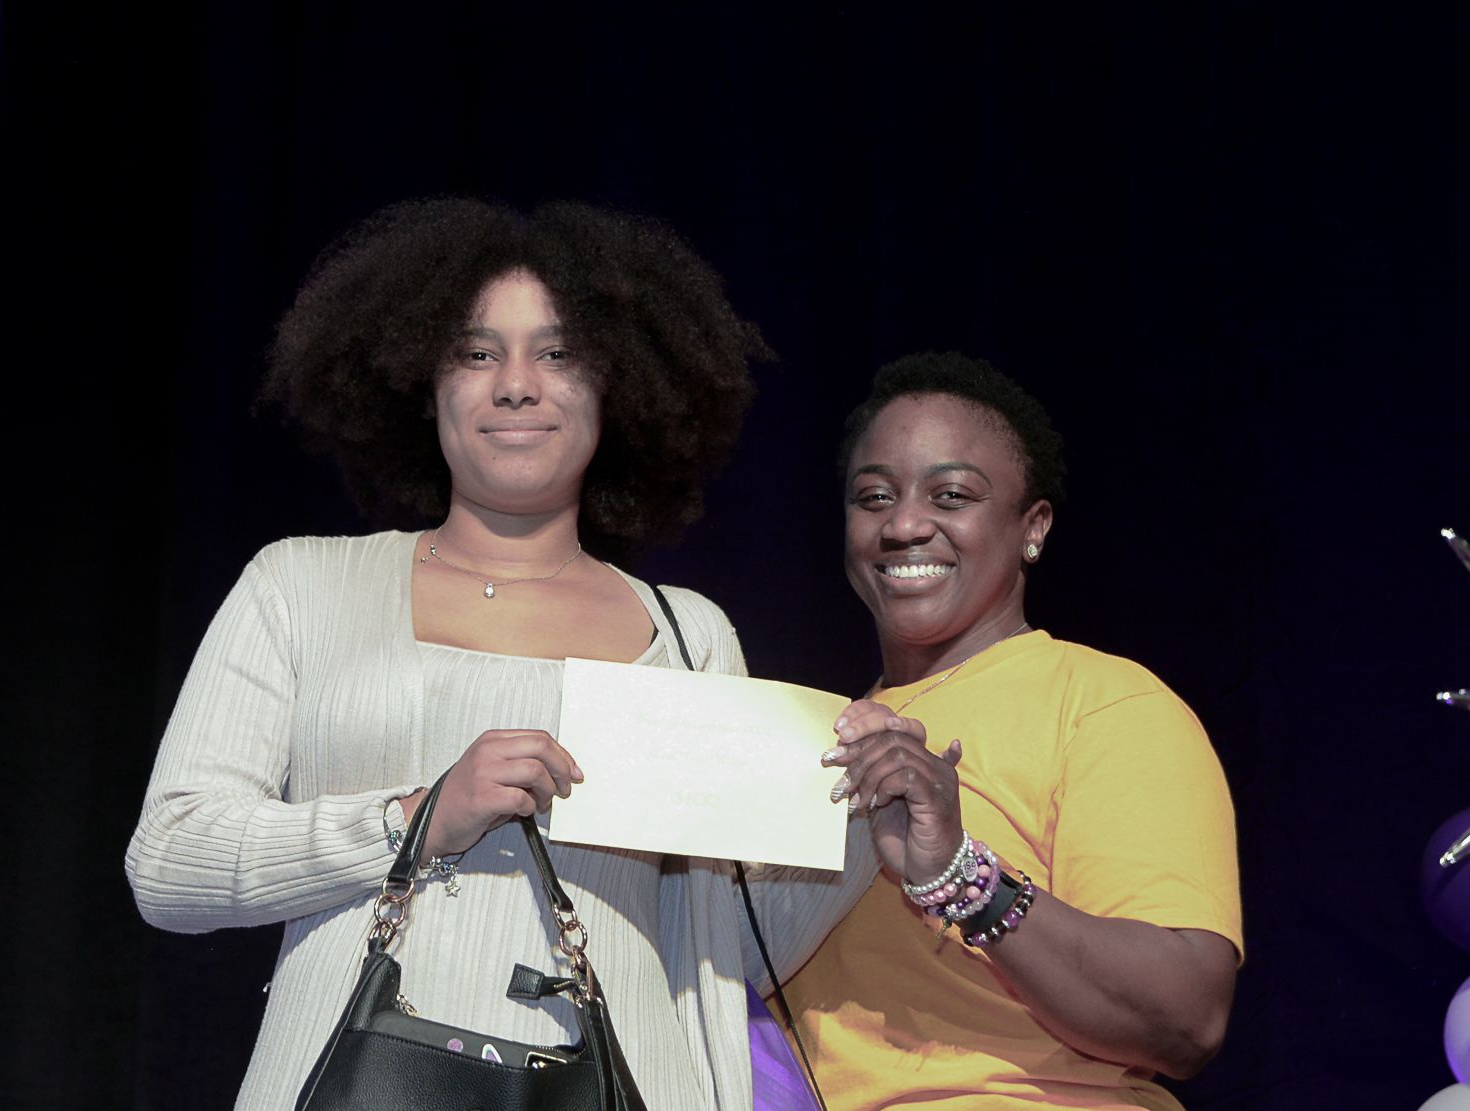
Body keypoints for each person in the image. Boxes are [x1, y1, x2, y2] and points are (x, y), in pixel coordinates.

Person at [124, 198, 874, 1109]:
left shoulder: (687, 634)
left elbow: (725, 947)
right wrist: (413, 818)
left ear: (618, 384)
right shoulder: (300, 587)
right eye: (476, 353)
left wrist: (866, 818)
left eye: (557, 354)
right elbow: (170, 863)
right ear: (421, 382)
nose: (516, 384)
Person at [795, 352, 1242, 1109]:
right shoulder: (816, 737)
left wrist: (961, 875)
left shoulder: (1104, 704)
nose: (903, 525)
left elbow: (1186, 1017)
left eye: (951, 495)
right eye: (873, 497)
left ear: (1031, 527)